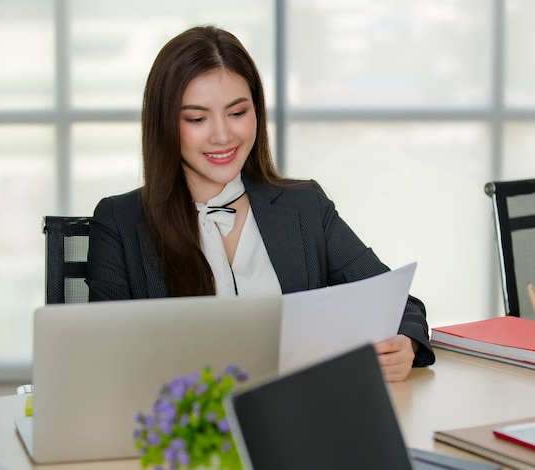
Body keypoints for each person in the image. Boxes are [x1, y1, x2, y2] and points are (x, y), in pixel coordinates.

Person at [86, 25, 435, 381]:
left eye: (237, 113)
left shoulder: (304, 207)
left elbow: (399, 303)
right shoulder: (120, 222)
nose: (223, 135)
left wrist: (405, 341)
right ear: (163, 124)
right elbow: (102, 362)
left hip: (296, 418)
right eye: (197, 119)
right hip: (187, 430)